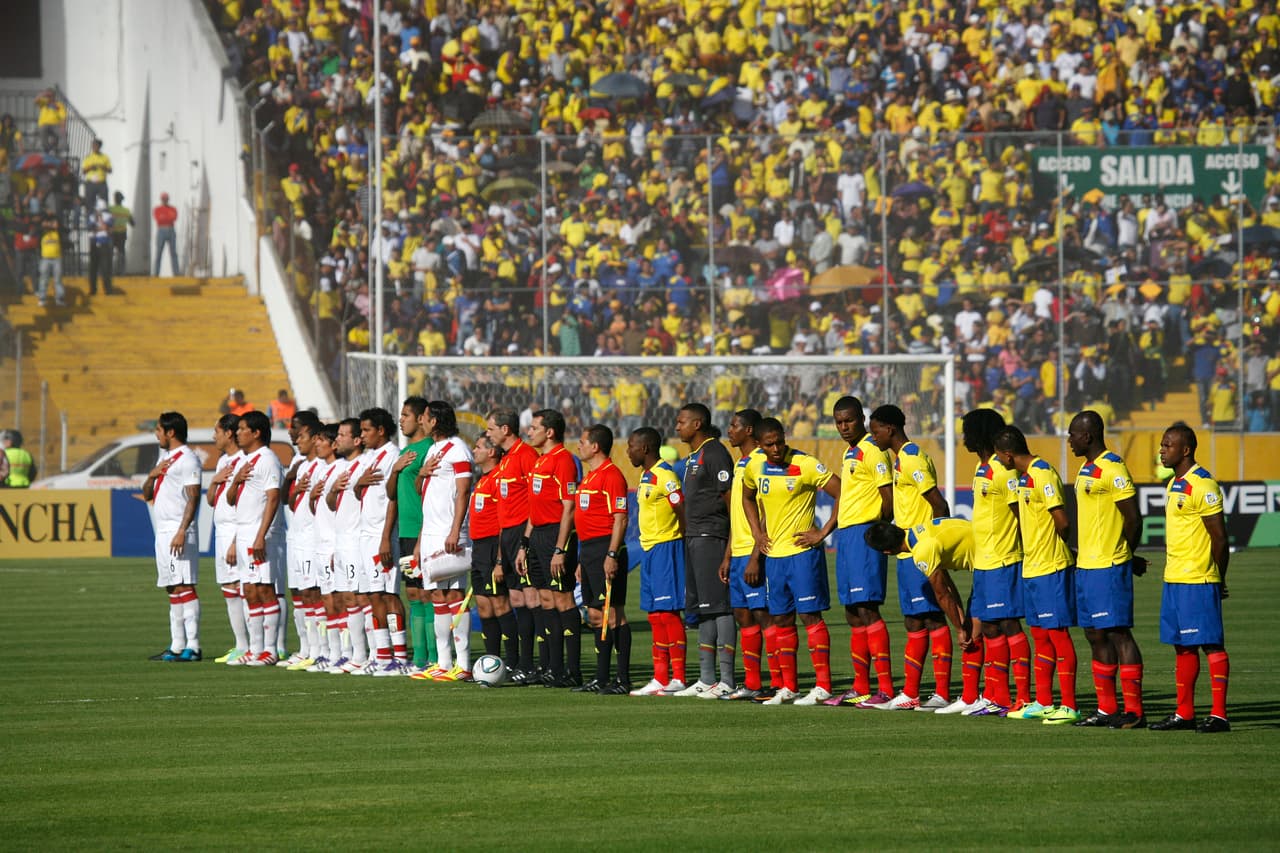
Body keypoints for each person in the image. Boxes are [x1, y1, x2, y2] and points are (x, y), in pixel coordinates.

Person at [741, 417, 842, 706]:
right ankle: (789, 687)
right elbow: (747, 497)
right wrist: (758, 534)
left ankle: (823, 685)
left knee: (810, 616)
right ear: (759, 445)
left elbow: (842, 491)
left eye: (780, 442)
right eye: (770, 444)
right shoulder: (754, 465)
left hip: (802, 554)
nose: (776, 448)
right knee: (781, 620)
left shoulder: (806, 464)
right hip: (774, 556)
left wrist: (823, 531)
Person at [939, 409, 1030, 717]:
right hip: (985, 560)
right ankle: (996, 695)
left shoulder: (1002, 470)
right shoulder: (983, 468)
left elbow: (1021, 514)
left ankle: (1023, 698)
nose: (963, 436)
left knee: (1007, 624)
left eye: (968, 430)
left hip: (1003, 558)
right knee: (988, 627)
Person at [867, 404, 953, 711]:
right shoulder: (900, 460)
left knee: (931, 617)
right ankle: (912, 692)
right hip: (907, 550)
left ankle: (942, 692)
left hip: (921, 548)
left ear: (890, 429)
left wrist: (934, 544)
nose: (872, 435)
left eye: (875, 429)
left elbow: (939, 504)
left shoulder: (913, 458)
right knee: (913, 619)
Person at [993, 426, 1081, 725]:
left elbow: (1062, 520)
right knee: (1040, 636)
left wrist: (1059, 547)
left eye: (999, 456)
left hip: (1051, 567)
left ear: (1007, 454)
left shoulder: (1043, 472)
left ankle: (1068, 705)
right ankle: (1044, 701)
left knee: (1058, 635)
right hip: (1032, 567)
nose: (999, 462)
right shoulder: (1023, 479)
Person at [1067, 410, 1147, 729]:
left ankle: (1134, 712)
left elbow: (1133, 518)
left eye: (1073, 434)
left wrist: (1125, 554)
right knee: (1094, 633)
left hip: (1108, 565)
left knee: (1117, 633)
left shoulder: (1112, 468)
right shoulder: (1087, 468)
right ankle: (1105, 709)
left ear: (1088, 436)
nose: (1069, 439)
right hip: (1086, 566)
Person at [1151, 425, 1231, 733]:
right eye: (1161, 444)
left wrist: (1217, 578)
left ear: (1185, 450)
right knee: (1182, 646)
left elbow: (1220, 539)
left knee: (1210, 644)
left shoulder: (1203, 484)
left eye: (1168, 445)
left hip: (1198, 578)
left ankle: (1220, 715)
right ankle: (1184, 713)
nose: (1162, 450)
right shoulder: (1174, 484)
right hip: (1174, 578)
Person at [827, 396, 895, 708]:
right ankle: (860, 687)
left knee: (868, 608)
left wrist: (881, 532)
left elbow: (888, 495)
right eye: (839, 422)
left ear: (862, 419)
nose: (844, 427)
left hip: (866, 534)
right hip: (848, 536)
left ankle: (885, 689)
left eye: (849, 421)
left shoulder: (872, 450)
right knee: (852, 611)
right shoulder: (850, 451)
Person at [671, 403, 736, 698]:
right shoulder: (693, 457)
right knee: (703, 608)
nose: (676, 427)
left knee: (720, 606)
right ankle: (707, 677)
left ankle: (727, 679)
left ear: (697, 424)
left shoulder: (715, 452)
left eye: (681, 421)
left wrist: (730, 546)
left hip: (713, 536)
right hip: (696, 537)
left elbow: (730, 499)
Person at [515, 408, 584, 687]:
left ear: (550, 432)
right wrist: (524, 544)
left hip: (557, 534)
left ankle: (573, 670)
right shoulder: (539, 461)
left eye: (534, 428)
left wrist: (560, 549)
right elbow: (534, 509)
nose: (529, 432)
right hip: (537, 536)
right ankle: (553, 668)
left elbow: (568, 507)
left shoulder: (564, 460)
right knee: (545, 602)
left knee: (563, 600)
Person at [413, 401, 475, 681]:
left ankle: (463, 664)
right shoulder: (433, 450)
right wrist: (422, 474)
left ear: (435, 420)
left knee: (455, 596)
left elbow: (463, 492)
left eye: (424, 417)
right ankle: (443, 661)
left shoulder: (458, 449)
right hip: (430, 533)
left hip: (449, 533)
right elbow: (422, 490)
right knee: (437, 597)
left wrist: (455, 530)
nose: (421, 421)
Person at [627, 426, 689, 696]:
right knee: (654, 615)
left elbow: (681, 508)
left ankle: (679, 678)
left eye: (631, 446)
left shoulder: (666, 476)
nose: (627, 451)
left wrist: (684, 544)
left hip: (667, 548)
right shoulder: (646, 476)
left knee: (669, 613)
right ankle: (660, 677)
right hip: (649, 550)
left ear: (645, 448)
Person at [573, 424, 633, 694]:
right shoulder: (589, 477)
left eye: (583, 442)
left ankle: (622, 679)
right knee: (596, 615)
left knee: (614, 615)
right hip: (588, 551)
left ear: (595, 446)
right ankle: (601, 676)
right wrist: (581, 561)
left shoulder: (612, 476)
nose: (579, 446)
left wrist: (611, 553)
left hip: (605, 549)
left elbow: (620, 518)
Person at [719, 409, 773, 701]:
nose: (730, 430)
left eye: (734, 425)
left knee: (764, 616)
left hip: (754, 554)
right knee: (743, 616)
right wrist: (728, 554)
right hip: (737, 552)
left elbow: (766, 511)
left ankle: (778, 683)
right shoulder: (742, 463)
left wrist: (756, 554)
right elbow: (737, 514)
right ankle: (753, 683)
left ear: (749, 430)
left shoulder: (762, 461)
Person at [226, 411, 286, 666]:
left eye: (241, 429)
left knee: (264, 589)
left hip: (260, 532)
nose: (237, 433)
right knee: (249, 590)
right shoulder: (245, 461)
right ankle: (254, 648)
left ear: (256, 432)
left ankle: (270, 650)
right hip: (244, 532)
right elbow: (230, 499)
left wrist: (261, 536)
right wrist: (236, 481)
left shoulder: (268, 460)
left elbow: (273, 497)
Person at [864, 518, 978, 653]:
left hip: (993, 561)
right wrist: (961, 620)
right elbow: (947, 585)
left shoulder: (922, 550)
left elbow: (942, 594)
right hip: (993, 552)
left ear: (887, 552)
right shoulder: (920, 530)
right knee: (980, 627)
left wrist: (960, 630)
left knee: (979, 631)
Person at [142, 412, 202, 662]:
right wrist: (153, 474)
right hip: (163, 529)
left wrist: (181, 530)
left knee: (184, 585)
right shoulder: (164, 457)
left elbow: (193, 496)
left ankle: (194, 645)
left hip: (179, 529)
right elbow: (147, 494)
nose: (156, 434)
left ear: (171, 432)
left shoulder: (188, 459)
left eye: (158, 429)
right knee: (171, 587)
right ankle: (177, 645)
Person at [486, 408, 540, 683]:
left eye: (491, 428)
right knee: (517, 599)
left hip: (522, 533)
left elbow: (536, 501)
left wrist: (526, 540)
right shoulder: (507, 460)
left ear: (505, 429)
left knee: (531, 598)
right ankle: (521, 663)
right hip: (506, 535)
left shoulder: (527, 456)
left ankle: (534, 665)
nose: (488, 433)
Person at [351, 407, 405, 675]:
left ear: (381, 431)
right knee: (374, 595)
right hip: (365, 534)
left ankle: (400, 656)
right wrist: (359, 482)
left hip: (381, 535)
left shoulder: (392, 456)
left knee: (389, 594)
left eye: (366, 430)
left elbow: (393, 499)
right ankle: (383, 656)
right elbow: (356, 489)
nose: (362, 436)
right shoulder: (370, 457)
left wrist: (386, 538)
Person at [385, 397, 435, 673]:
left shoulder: (429, 449)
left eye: (406, 415)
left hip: (423, 531)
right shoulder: (405, 452)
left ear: (420, 419)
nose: (401, 419)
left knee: (429, 593)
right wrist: (395, 469)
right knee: (413, 593)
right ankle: (419, 660)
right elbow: (391, 493)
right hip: (405, 532)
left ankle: (435, 657)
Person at [279, 412, 324, 670]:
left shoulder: (322, 465)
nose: (294, 436)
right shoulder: (301, 463)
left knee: (314, 594)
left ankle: (321, 649)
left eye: (298, 431)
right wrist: (291, 477)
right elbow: (290, 501)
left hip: (313, 538)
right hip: (296, 536)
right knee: (300, 594)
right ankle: (306, 647)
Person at [325, 418, 367, 673]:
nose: (337, 439)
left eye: (342, 435)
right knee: (345, 598)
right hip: (341, 541)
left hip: (356, 540)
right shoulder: (345, 468)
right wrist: (332, 490)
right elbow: (333, 504)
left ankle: (363, 654)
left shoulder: (364, 465)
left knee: (358, 597)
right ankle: (350, 653)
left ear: (357, 439)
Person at [207, 414, 249, 663]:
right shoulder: (223, 460)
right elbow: (212, 499)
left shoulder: (244, 460)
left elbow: (246, 505)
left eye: (217, 431)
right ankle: (240, 645)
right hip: (222, 531)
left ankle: (255, 646)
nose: (215, 436)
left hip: (237, 531)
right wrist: (214, 480)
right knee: (229, 589)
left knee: (244, 589)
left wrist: (236, 540)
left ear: (229, 433)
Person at [304, 423, 343, 672]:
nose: (316, 444)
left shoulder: (341, 469)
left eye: (321, 440)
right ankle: (329, 652)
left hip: (333, 543)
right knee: (325, 600)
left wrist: (336, 547)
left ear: (334, 445)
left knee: (336, 600)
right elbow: (317, 509)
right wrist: (310, 497)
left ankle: (343, 653)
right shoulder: (323, 470)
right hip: (320, 542)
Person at [467, 434, 505, 663]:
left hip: (492, 546)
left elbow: (503, 520)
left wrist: (500, 558)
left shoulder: (499, 478)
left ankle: (510, 661)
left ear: (491, 452)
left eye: (478, 446)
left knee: (499, 604)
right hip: (479, 547)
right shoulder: (482, 479)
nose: (474, 450)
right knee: (483, 604)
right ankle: (491, 661)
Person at [87, 200, 116, 296]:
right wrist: (102, 227)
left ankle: (107, 289)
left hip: (104, 243)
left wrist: (101, 225)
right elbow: (92, 228)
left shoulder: (108, 216)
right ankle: (93, 289)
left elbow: (108, 227)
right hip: (95, 243)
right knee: (93, 268)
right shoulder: (92, 217)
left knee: (105, 268)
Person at [37, 216, 65, 308]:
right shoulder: (42, 232)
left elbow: (63, 230)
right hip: (45, 258)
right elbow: (38, 229)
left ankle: (59, 298)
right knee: (44, 279)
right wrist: (47, 225)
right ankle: (42, 298)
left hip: (57, 258)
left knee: (58, 279)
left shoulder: (58, 232)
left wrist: (55, 226)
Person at [81, 138, 111, 212]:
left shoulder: (105, 157)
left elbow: (110, 170)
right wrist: (91, 167)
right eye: (93, 145)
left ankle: (103, 220)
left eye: (96, 145)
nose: (94, 147)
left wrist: (102, 167)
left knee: (103, 204)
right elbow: (83, 171)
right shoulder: (88, 157)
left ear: (100, 146)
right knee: (89, 203)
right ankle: (90, 220)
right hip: (90, 183)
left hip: (101, 183)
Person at [153, 191, 179, 276]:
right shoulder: (157, 209)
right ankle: (156, 273)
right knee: (159, 252)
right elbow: (158, 219)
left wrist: (164, 217)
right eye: (163, 199)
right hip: (161, 230)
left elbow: (174, 218)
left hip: (171, 230)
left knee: (173, 253)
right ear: (161, 200)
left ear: (168, 199)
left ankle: (176, 273)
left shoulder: (173, 209)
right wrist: (167, 217)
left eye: (166, 199)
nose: (165, 200)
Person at [108, 191, 134, 275]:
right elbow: (132, 223)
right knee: (121, 253)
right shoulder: (126, 211)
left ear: (114, 199)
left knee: (109, 253)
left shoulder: (110, 209)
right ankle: (121, 272)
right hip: (122, 234)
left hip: (112, 234)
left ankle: (109, 272)